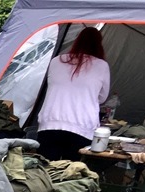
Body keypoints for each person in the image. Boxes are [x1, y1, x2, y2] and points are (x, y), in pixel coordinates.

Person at [36, 26, 111, 161]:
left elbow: (52, 85)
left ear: (76, 41)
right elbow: (102, 97)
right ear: (99, 44)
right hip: (81, 125)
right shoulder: (102, 66)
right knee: (71, 173)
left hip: (50, 121)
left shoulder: (56, 61)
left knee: (45, 171)